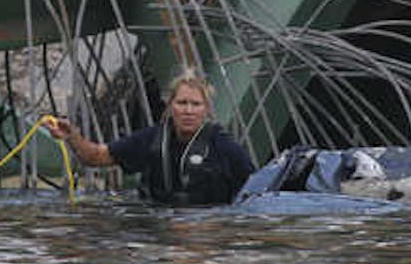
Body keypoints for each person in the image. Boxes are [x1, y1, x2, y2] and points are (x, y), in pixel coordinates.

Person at [46, 70, 255, 205]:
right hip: (158, 224)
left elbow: (255, 192)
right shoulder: (152, 139)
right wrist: (72, 136)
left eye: (196, 104)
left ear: (207, 109)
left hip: (209, 228)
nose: (188, 111)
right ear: (170, 105)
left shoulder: (225, 147)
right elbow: (95, 157)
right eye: (182, 103)